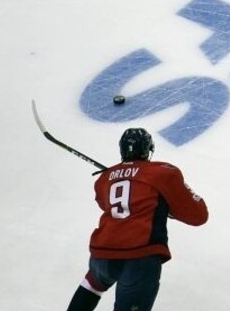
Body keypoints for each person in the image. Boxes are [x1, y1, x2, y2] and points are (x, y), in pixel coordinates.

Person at [66, 128, 208, 311]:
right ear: (148, 150)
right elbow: (199, 216)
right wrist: (167, 206)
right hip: (139, 257)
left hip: (102, 254)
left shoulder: (104, 178)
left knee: (92, 285)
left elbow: (104, 203)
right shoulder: (163, 173)